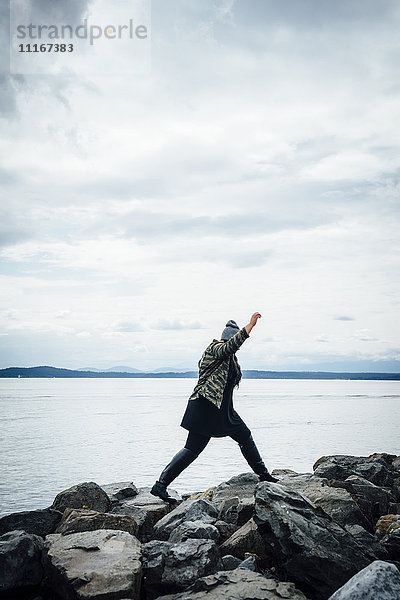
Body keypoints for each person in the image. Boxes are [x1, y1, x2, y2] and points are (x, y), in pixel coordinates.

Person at [150, 311, 278, 504]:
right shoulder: (215, 349)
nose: (234, 346)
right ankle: (160, 485)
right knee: (192, 449)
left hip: (223, 410)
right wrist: (250, 325)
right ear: (227, 338)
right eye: (232, 341)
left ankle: (264, 474)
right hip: (206, 407)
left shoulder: (230, 359)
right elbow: (230, 346)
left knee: (245, 436)